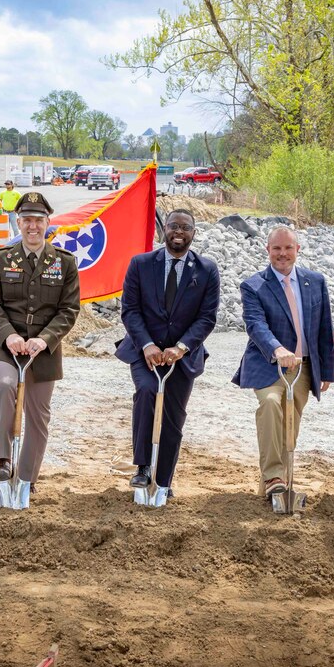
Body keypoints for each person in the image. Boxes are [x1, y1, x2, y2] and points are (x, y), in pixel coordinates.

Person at [117, 209, 220, 495]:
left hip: (183, 356)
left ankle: (164, 481)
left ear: (193, 233)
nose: (178, 232)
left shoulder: (207, 270)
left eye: (185, 227)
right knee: (148, 392)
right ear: (164, 230)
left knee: (174, 416)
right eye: (173, 225)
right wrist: (148, 345)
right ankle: (142, 468)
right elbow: (131, 310)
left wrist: (182, 347)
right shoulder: (140, 264)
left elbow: (207, 318)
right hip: (143, 351)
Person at [0, 192, 80, 485]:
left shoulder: (64, 262)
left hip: (44, 352)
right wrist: (8, 335)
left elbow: (69, 309)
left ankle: (25, 480)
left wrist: (44, 339)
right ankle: (2, 459)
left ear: (48, 223)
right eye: (27, 220)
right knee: (5, 384)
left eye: (38, 220)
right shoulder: (0, 259)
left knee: (38, 417)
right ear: (18, 222)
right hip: (5, 347)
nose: (32, 226)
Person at [232, 225, 334, 498]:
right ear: (267, 250)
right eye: (276, 248)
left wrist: (326, 370)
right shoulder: (254, 285)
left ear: (297, 250)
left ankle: (275, 487)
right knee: (269, 405)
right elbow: (255, 325)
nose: (282, 254)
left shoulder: (315, 282)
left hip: (302, 368)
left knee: (290, 426)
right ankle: (274, 477)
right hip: (268, 365)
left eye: (288, 248)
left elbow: (324, 328)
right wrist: (277, 350)